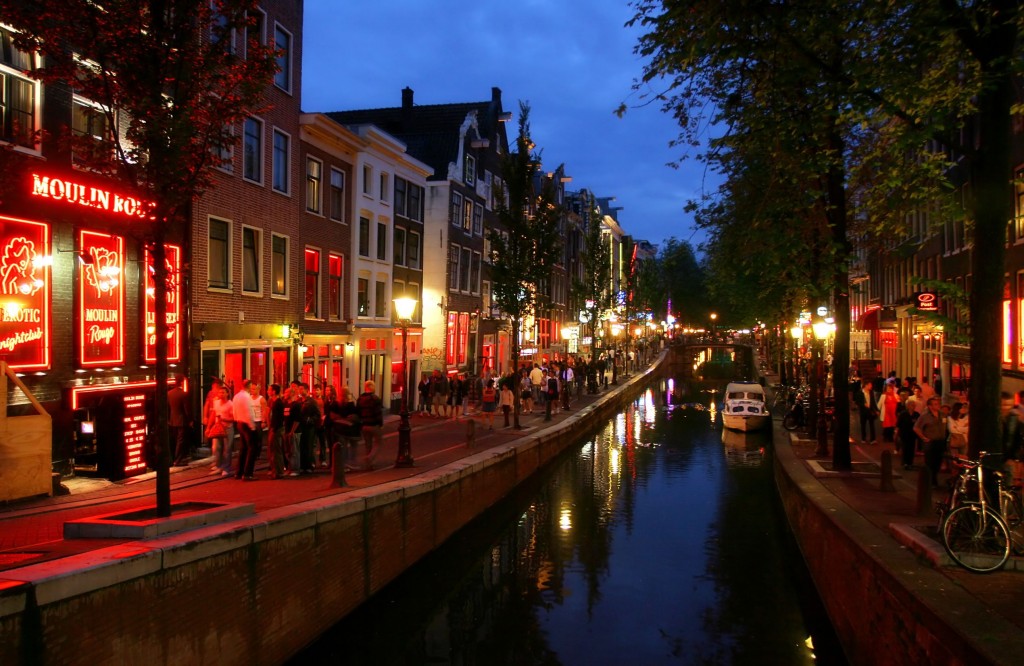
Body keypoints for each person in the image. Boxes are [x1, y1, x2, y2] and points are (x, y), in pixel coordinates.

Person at [913, 396, 947, 487]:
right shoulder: (925, 416)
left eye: (938, 404)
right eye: (935, 404)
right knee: (930, 462)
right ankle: (930, 481)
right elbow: (916, 427)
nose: (938, 405)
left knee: (938, 462)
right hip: (930, 442)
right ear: (930, 406)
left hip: (940, 441)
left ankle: (934, 478)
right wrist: (923, 437)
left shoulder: (942, 415)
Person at [233, 379, 257, 480]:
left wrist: (236, 419)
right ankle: (247, 473)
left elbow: (234, 410)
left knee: (243, 448)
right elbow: (249, 412)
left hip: (239, 423)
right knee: (252, 448)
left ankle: (239, 472)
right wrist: (252, 425)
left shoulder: (236, 396)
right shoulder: (247, 397)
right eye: (251, 387)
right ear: (249, 386)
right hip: (246, 424)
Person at [357, 380, 384, 470]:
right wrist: (380, 423)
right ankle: (370, 458)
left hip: (364, 425)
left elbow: (358, 412)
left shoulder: (360, 399)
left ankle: (369, 465)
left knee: (368, 444)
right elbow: (378, 413)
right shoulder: (375, 399)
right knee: (378, 442)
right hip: (374, 424)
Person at [168, 376, 192, 466]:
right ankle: (178, 460)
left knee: (175, 439)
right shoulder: (183, 394)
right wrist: (190, 420)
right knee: (180, 441)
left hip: (172, 420)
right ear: (181, 382)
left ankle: (175, 459)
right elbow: (187, 409)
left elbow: (168, 408)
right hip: (182, 421)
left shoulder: (169, 393)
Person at [265, 383, 286, 479]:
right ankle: (275, 470)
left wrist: (273, 428)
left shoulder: (278, 403)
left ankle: (278, 471)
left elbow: (277, 418)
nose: (267, 391)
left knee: (276, 450)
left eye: (269, 389)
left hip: (276, 429)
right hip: (274, 428)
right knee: (273, 450)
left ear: (274, 391)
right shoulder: (274, 402)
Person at [852, 378, 878, 445]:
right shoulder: (860, 393)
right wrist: (863, 404)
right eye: (869, 385)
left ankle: (873, 439)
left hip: (870, 411)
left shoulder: (871, 392)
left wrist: (876, 410)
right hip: (863, 411)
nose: (871, 386)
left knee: (872, 425)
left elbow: (873, 402)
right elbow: (857, 402)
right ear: (866, 385)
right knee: (863, 425)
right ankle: (863, 438)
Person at [896, 398, 919, 471]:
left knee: (912, 449)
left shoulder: (916, 414)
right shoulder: (903, 414)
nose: (913, 406)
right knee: (905, 448)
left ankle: (910, 463)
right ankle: (905, 463)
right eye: (911, 405)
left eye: (914, 405)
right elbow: (898, 424)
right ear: (908, 406)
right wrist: (897, 433)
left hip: (913, 435)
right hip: (904, 434)